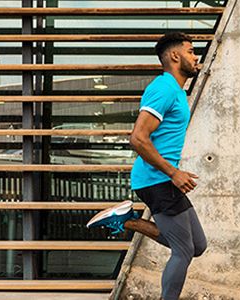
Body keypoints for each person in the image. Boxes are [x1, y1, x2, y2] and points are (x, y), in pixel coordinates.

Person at [85, 32, 207, 300]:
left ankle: (127, 220)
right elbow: (138, 138)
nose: (195, 56)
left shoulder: (175, 90)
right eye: (190, 51)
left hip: (161, 178)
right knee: (183, 250)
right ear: (175, 56)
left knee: (197, 244)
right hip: (157, 180)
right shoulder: (163, 88)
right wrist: (173, 172)